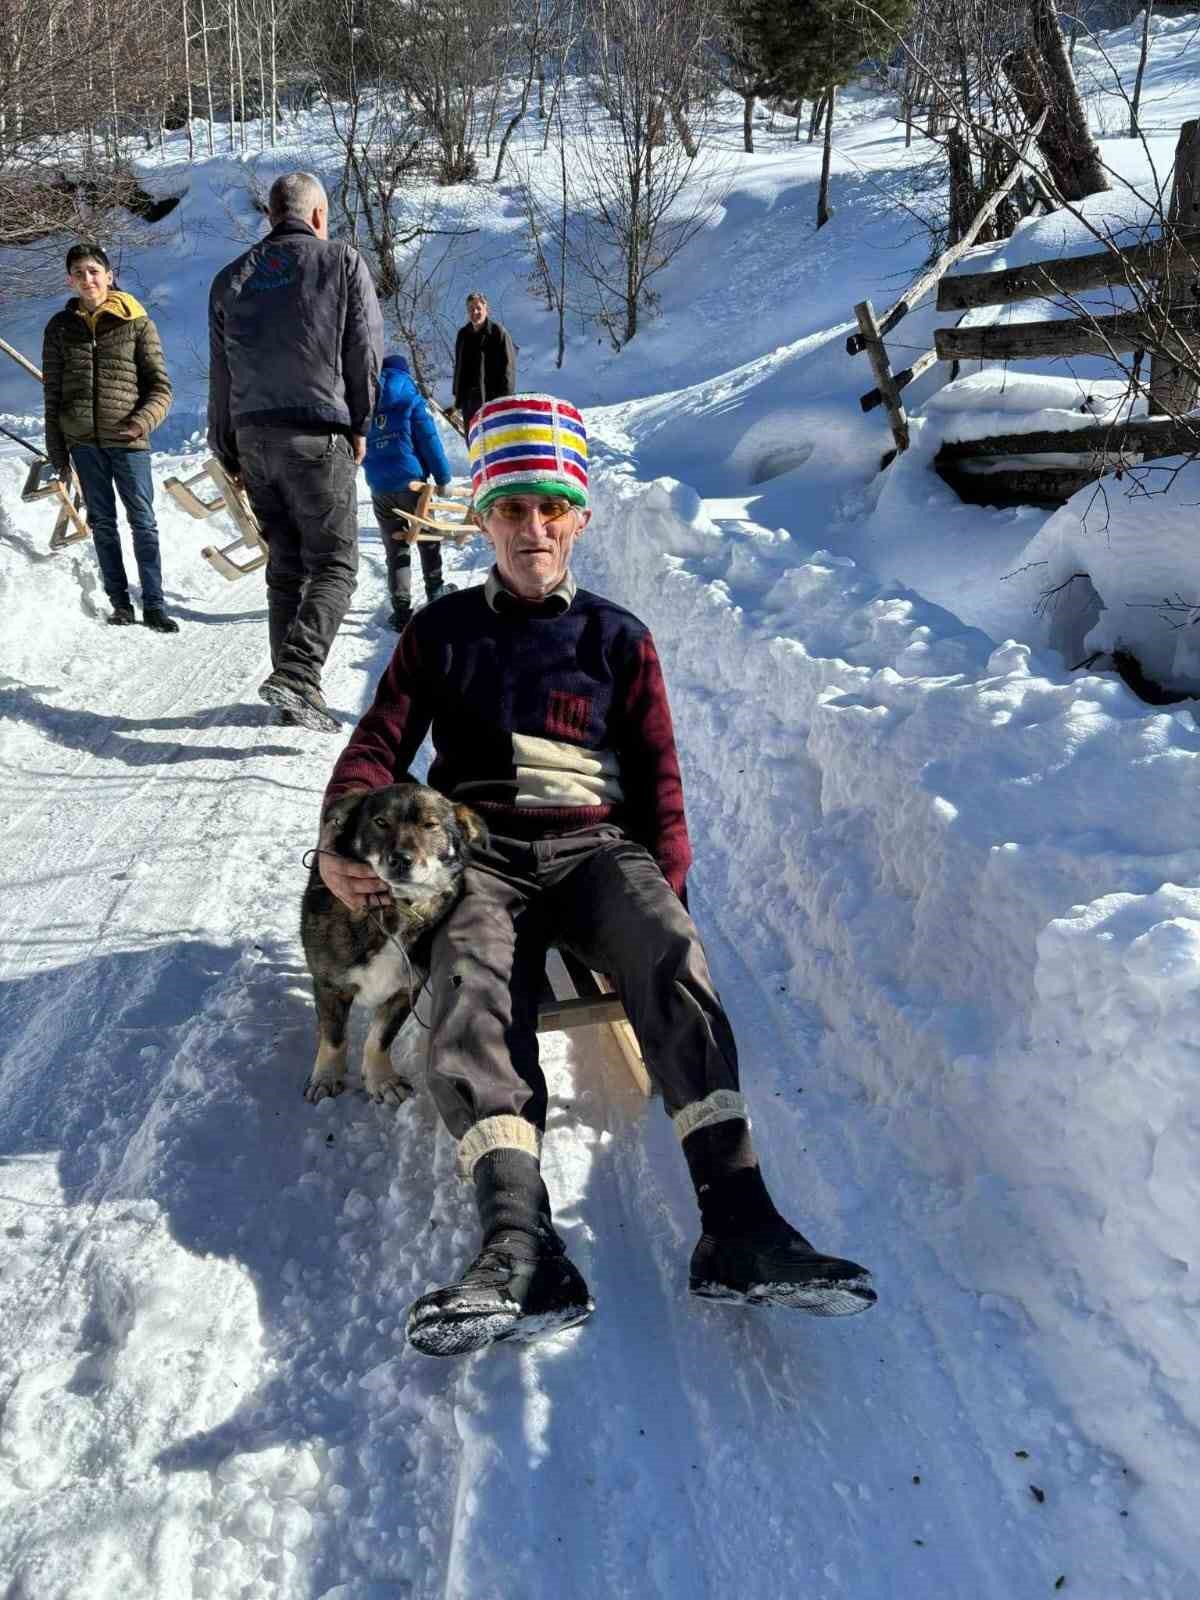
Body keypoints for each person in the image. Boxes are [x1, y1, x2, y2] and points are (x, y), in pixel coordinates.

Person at [316, 393, 877, 1359]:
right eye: (510, 509)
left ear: (578, 517)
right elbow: (380, 741)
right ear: (484, 517)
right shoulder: (441, 634)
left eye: (550, 509)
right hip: (479, 854)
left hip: (594, 850)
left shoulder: (618, 639)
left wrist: (662, 909)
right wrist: (338, 835)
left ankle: (739, 1221)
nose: (531, 528)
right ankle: (518, 1244)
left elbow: (659, 779)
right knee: (472, 982)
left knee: (666, 951)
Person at [207, 171, 384, 732]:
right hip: (316, 430)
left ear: (271, 216)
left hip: (254, 437)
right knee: (334, 564)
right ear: (318, 216)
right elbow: (365, 349)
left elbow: (221, 374)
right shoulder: (341, 262)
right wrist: (361, 422)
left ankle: (291, 695)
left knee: (285, 566)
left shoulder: (231, 277)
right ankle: (301, 673)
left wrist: (226, 447)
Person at [42, 242, 177, 632]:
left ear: (109, 275)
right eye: (79, 273)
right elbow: (52, 395)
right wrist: (58, 453)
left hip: (129, 441)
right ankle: (120, 603)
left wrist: (141, 423)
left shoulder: (136, 321)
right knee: (102, 524)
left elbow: (161, 387)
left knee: (144, 523)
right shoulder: (59, 328)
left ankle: (154, 605)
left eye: (94, 271)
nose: (88, 279)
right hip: (83, 443)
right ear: (70, 279)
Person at [364, 353, 454, 631]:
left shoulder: (366, 405)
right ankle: (436, 591)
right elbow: (429, 441)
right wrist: (443, 477)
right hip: (411, 484)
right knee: (427, 537)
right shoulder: (410, 401)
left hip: (379, 487)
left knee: (396, 546)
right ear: (405, 375)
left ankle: (401, 609)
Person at [451, 291, 516, 433]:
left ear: (486, 309)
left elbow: (508, 371)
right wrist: (457, 396)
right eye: (471, 309)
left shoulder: (498, 333)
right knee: (472, 441)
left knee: (492, 442)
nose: (475, 312)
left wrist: (504, 401)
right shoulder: (463, 334)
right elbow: (459, 367)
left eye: (478, 308)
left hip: (491, 399)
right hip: (468, 400)